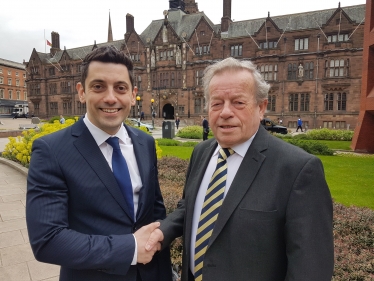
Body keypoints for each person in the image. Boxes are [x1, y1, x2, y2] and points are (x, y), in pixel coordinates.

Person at [146, 57, 334, 281]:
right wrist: (162, 231)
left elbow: (310, 270)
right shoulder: (201, 153)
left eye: (238, 102)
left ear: (261, 107)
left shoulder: (298, 170)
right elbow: (190, 207)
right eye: (217, 103)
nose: (225, 112)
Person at [26, 46, 172, 281]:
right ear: (81, 92)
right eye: (98, 86)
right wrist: (131, 248)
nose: (111, 97)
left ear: (133, 94)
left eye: (120, 88)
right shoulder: (51, 150)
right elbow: (48, 240)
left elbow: (155, 210)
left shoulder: (144, 142)